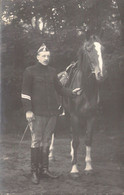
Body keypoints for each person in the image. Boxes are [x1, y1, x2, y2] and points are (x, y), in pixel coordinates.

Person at [21, 43, 81, 184]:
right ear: (38, 57)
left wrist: (72, 93)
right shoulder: (29, 71)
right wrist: (28, 110)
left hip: (52, 113)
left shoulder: (52, 71)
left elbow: (60, 89)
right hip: (37, 113)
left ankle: (44, 170)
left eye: (48, 56)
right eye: (43, 56)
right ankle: (34, 172)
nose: (46, 58)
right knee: (36, 141)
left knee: (47, 140)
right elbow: (25, 93)